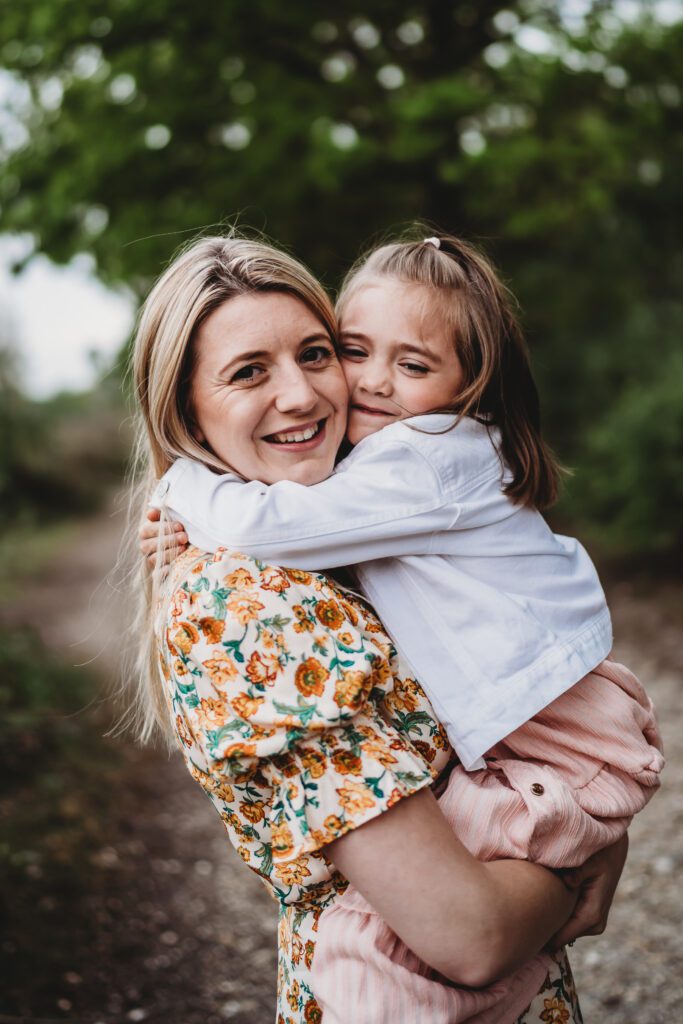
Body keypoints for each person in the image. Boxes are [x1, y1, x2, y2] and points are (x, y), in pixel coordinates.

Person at [133, 234, 631, 1024]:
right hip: (403, 979)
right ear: (181, 406)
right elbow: (470, 937)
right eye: (248, 371)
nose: (309, 394)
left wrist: (590, 832)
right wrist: (577, 859)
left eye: (316, 352)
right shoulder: (251, 603)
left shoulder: (359, 515)